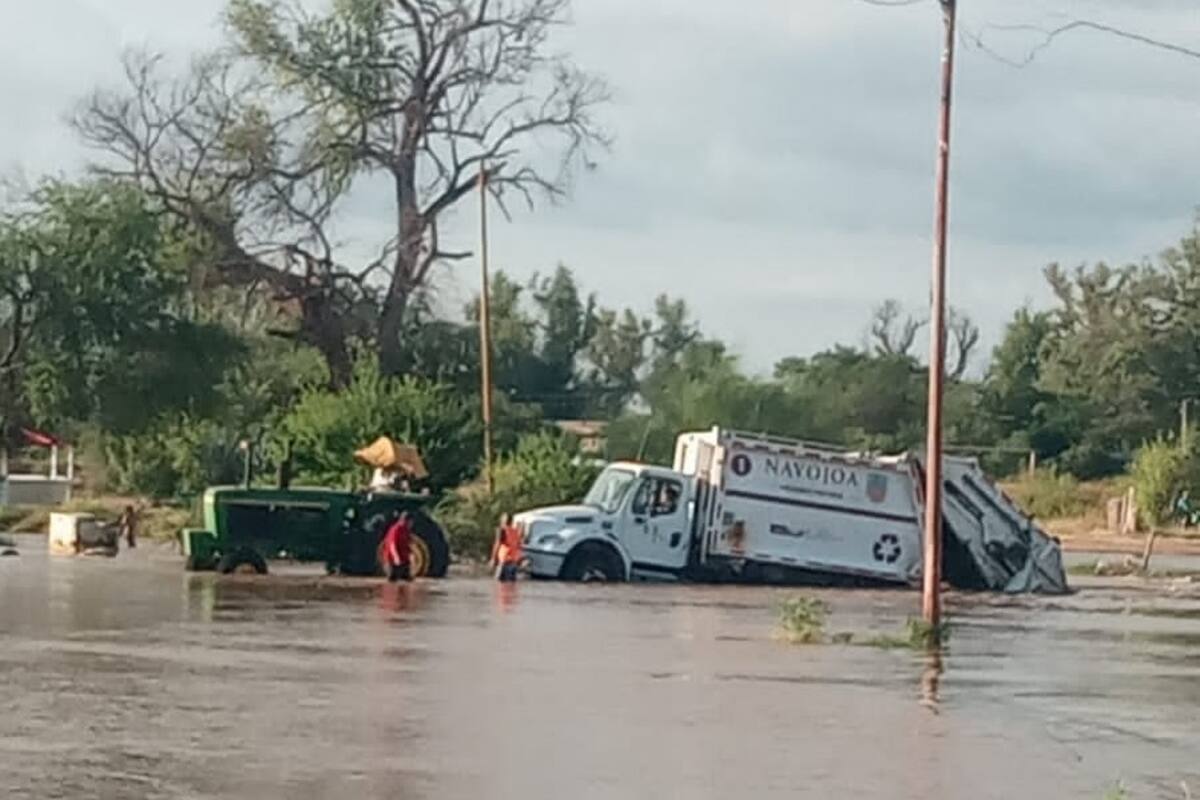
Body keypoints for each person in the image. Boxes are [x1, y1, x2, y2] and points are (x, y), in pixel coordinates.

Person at [489, 513, 523, 582]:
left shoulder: (501, 530)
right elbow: (519, 546)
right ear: (511, 521)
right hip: (513, 564)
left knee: (499, 585)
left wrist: (492, 558)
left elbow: (497, 544)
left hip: (504, 562)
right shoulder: (515, 531)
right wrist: (519, 560)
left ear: (503, 521)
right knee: (511, 586)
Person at [382, 511, 412, 582]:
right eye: (410, 522)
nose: (411, 524)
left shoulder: (406, 530)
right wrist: (396, 557)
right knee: (392, 581)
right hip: (392, 560)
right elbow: (392, 545)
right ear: (405, 521)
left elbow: (407, 544)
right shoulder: (396, 529)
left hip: (404, 560)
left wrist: (410, 555)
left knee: (407, 580)